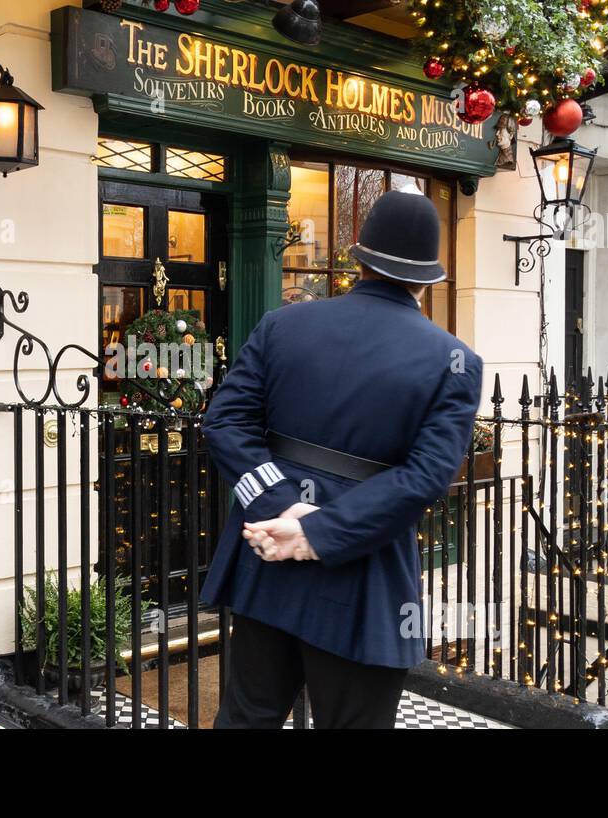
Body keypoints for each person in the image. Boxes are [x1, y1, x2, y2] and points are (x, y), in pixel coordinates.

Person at [200, 187, 484, 729]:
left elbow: (225, 423)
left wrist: (284, 511)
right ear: (427, 280)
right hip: (364, 570)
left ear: (360, 258)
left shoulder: (283, 324)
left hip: (267, 559)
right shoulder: (455, 362)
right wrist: (320, 532)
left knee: (247, 716)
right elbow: (426, 477)